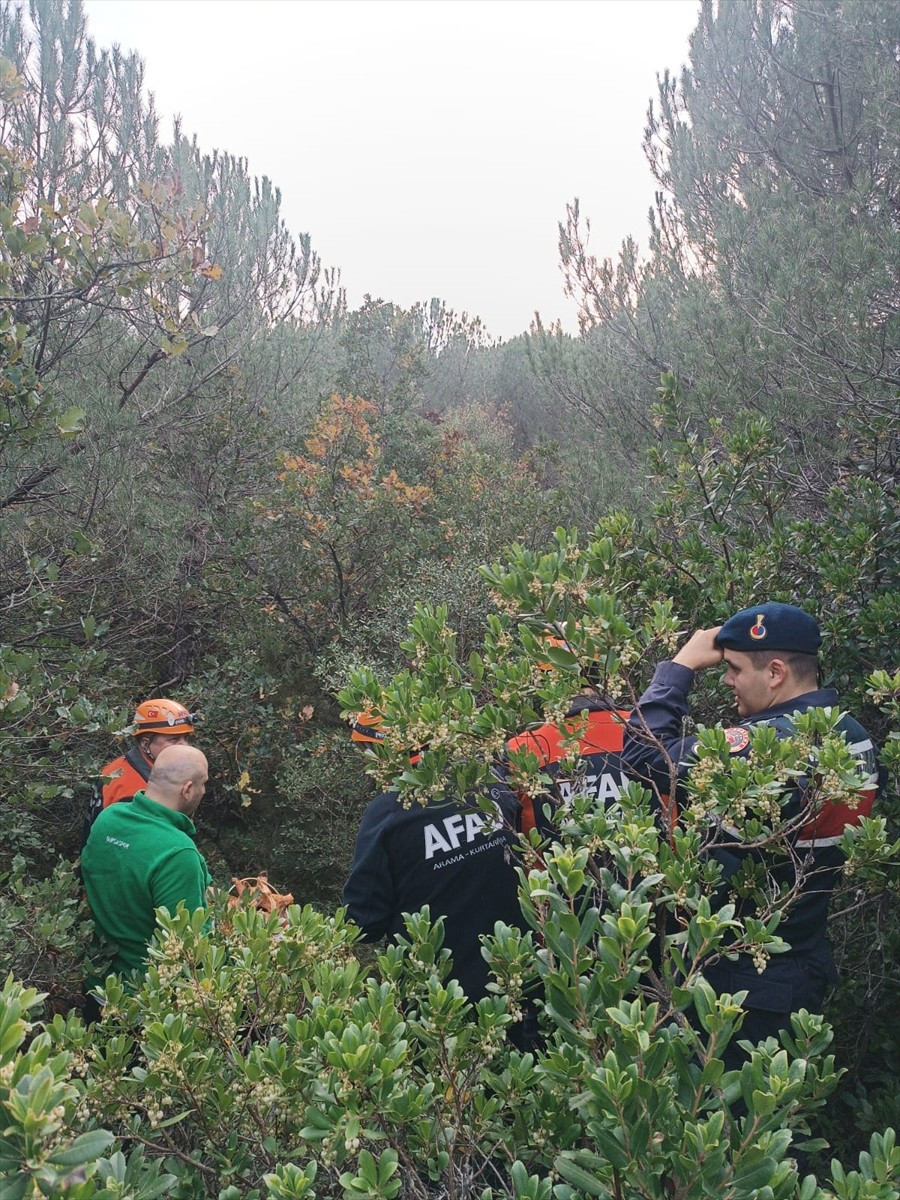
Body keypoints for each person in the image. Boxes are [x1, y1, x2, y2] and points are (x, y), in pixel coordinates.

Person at [623, 602, 881, 1066]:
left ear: (776, 671)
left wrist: (679, 667)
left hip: (745, 978)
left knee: (728, 1122)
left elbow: (644, 755)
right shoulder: (855, 735)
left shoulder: (769, 745)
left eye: (735, 669)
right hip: (803, 956)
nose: (727, 681)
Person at [343, 716, 525, 1003]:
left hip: (441, 1001)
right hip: (520, 975)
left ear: (384, 752)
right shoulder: (489, 780)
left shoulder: (387, 815)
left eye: (367, 751)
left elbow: (364, 923)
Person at [81, 743, 212, 1017]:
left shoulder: (108, 818)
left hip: (95, 989)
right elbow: (188, 946)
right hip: (142, 1005)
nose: (204, 792)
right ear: (187, 790)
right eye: (203, 785)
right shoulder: (178, 853)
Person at [99, 698, 197, 809]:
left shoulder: (119, 767)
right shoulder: (135, 792)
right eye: (174, 739)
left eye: (185, 738)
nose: (184, 746)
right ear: (145, 744)